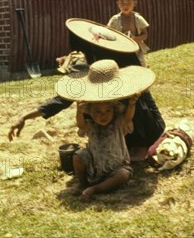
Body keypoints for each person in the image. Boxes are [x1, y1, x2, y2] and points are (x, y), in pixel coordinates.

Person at [8, 19, 165, 161]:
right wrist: (25, 117)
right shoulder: (95, 72)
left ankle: (137, 144)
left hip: (147, 129)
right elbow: (61, 100)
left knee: (130, 100)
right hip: (113, 132)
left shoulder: (126, 73)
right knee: (86, 103)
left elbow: (140, 109)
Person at [54, 59, 155, 200]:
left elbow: (127, 118)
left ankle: (95, 189)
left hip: (116, 167)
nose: (103, 115)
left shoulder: (118, 123)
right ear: (90, 113)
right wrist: (79, 111)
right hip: (94, 166)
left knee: (124, 175)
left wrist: (132, 104)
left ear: (114, 110)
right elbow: (81, 126)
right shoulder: (91, 125)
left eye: (108, 111)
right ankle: (82, 183)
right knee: (78, 156)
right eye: (98, 112)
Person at [107, 0, 150, 67]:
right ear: (117, 3)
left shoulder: (138, 19)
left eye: (129, 3)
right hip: (120, 49)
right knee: (121, 67)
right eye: (122, 3)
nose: (125, 6)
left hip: (136, 49)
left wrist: (135, 39)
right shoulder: (114, 20)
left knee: (140, 67)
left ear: (135, 3)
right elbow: (108, 32)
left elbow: (145, 35)